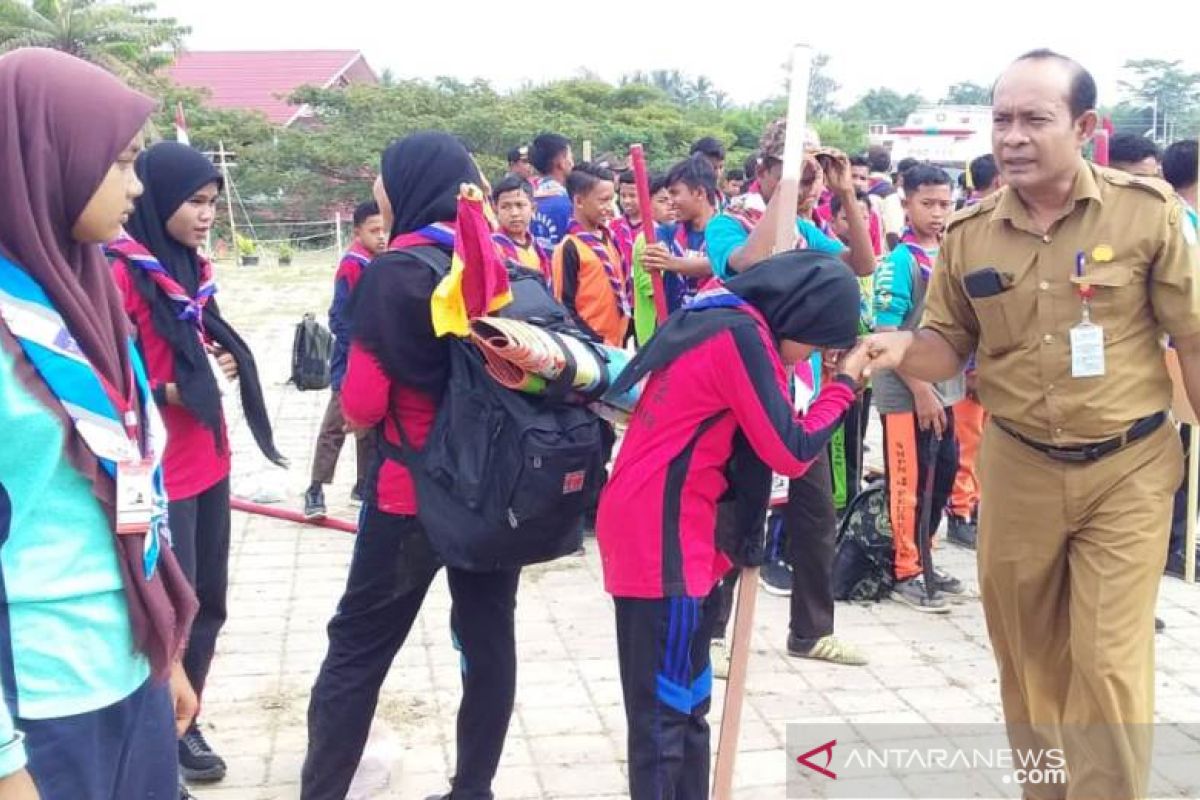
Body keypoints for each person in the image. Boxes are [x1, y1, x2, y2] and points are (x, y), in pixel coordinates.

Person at [864, 49, 1200, 799]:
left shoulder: (1145, 214)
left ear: (1083, 126)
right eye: (1002, 119)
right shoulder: (970, 231)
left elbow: (1194, 335)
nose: (1012, 137)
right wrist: (897, 350)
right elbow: (948, 344)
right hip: (1019, 468)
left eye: (1033, 120)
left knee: (1107, 659)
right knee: (1028, 658)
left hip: (1130, 466)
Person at [0, 47, 199, 800]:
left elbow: (130, 477)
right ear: (44, 159)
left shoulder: (87, 295)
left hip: (126, 674)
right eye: (119, 161)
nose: (136, 185)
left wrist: (163, 649)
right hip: (37, 707)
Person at [598, 251, 869, 800]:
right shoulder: (738, 336)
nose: (813, 357)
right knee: (663, 715)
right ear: (798, 317)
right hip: (660, 534)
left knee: (690, 703)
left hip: (687, 529)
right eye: (815, 346)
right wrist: (841, 388)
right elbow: (790, 450)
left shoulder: (729, 313)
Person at [302, 132, 521, 800]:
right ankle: (472, 788)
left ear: (409, 184)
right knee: (488, 645)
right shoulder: (499, 258)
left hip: (411, 495)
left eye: (381, 179)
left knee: (358, 651)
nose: (376, 190)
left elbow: (363, 408)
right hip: (493, 490)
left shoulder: (396, 272)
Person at [108, 140, 287, 790]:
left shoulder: (191, 266)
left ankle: (188, 720)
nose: (207, 213)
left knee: (210, 603)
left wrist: (226, 359)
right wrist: (167, 393)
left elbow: (197, 335)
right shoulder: (120, 272)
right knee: (168, 613)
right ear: (159, 201)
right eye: (195, 202)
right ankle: (157, 739)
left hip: (209, 459)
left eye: (212, 202)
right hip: (158, 474)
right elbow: (104, 378)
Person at [705, 119, 873, 666]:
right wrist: (782, 197)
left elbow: (862, 265)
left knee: (815, 513)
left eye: (811, 177)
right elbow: (749, 266)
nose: (805, 187)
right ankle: (710, 634)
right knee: (736, 514)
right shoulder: (729, 224)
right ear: (763, 173)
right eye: (793, 175)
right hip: (743, 390)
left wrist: (845, 194)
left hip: (802, 393)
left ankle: (810, 630)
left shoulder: (808, 231)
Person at [871, 164, 965, 612]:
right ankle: (904, 569)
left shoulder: (951, 254)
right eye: (927, 203)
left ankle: (924, 554)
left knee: (942, 477)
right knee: (908, 482)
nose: (937, 212)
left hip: (946, 390)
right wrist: (922, 389)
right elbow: (885, 335)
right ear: (905, 204)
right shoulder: (898, 263)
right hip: (905, 394)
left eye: (945, 203)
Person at [304, 201, 387, 520]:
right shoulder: (353, 265)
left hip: (375, 359)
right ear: (357, 232)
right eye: (374, 231)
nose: (381, 237)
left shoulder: (381, 261)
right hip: (351, 360)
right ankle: (315, 489)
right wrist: (360, 349)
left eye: (384, 230)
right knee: (336, 424)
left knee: (369, 424)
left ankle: (363, 485)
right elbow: (338, 318)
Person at [945, 154, 1004, 550]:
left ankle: (976, 503)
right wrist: (970, 365)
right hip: (971, 365)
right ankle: (960, 511)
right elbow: (963, 308)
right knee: (966, 441)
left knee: (982, 440)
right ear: (999, 180)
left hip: (992, 363)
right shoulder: (970, 230)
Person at [1158, 139, 1199, 581]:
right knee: (1183, 459)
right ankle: (1176, 544)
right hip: (1178, 355)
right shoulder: (1178, 220)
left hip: (1179, 350)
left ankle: (1181, 540)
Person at [551, 162, 629, 347]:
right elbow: (564, 306)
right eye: (603, 200)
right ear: (579, 201)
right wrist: (594, 340)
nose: (610, 207)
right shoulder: (570, 248)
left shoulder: (610, 239)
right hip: (592, 344)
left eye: (611, 200)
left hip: (616, 341)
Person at [639, 155, 718, 319]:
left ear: (699, 193)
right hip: (673, 329)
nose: (671, 202)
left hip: (710, 329)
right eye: (667, 196)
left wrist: (671, 262)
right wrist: (652, 259)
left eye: (675, 193)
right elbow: (652, 260)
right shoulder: (668, 233)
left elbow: (716, 263)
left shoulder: (725, 232)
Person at [630, 174, 677, 346]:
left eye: (673, 198)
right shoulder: (647, 239)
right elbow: (650, 288)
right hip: (652, 329)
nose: (671, 205)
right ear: (647, 203)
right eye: (663, 200)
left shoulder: (675, 235)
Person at [490, 176, 552, 283]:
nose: (514, 213)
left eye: (520, 205)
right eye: (505, 207)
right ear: (495, 210)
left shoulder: (538, 248)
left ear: (533, 208)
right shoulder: (492, 248)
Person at [529, 133, 574, 250]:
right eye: (570, 157)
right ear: (561, 161)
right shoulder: (571, 203)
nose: (572, 163)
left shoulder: (525, 200)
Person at [867, 145, 906, 249]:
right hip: (881, 256)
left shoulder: (856, 188)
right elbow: (893, 232)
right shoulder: (889, 193)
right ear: (890, 167)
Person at [610, 170, 643, 273]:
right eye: (623, 196)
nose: (626, 201)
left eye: (632, 196)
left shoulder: (653, 227)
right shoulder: (613, 226)